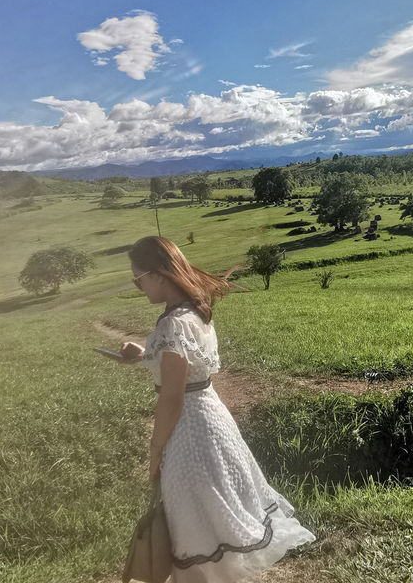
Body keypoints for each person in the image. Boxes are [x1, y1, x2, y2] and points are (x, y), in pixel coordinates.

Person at [114, 235, 317, 583]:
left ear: (159, 274)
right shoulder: (195, 309)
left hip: (189, 432)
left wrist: (155, 449)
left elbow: (172, 396)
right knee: (215, 523)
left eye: (138, 278)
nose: (138, 286)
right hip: (214, 421)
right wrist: (144, 353)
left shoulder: (173, 323)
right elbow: (183, 361)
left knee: (192, 524)